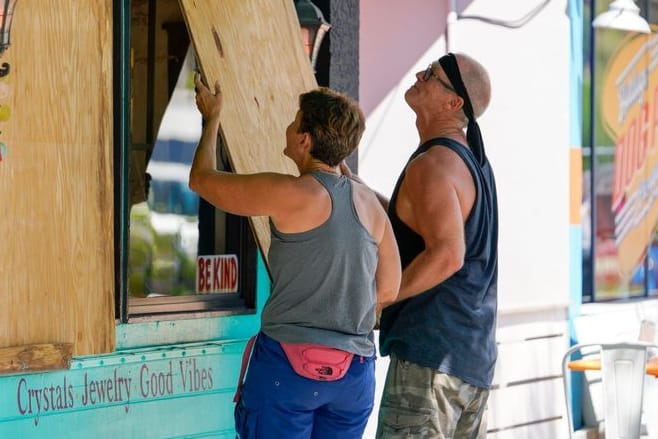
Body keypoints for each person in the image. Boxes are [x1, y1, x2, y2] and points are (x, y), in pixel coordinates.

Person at [189, 74, 401, 439]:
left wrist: (212, 119)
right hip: (354, 374)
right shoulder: (371, 206)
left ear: (304, 139)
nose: (287, 127)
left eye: (294, 121)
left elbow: (203, 180)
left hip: (288, 369)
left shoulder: (290, 193)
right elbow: (389, 289)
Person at [345, 52, 498, 438]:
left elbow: (447, 255)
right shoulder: (466, 160)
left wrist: (382, 298)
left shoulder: (434, 164)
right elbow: (411, 222)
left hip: (432, 363)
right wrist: (355, 189)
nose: (418, 74)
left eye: (431, 75)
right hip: (469, 362)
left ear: (453, 102)